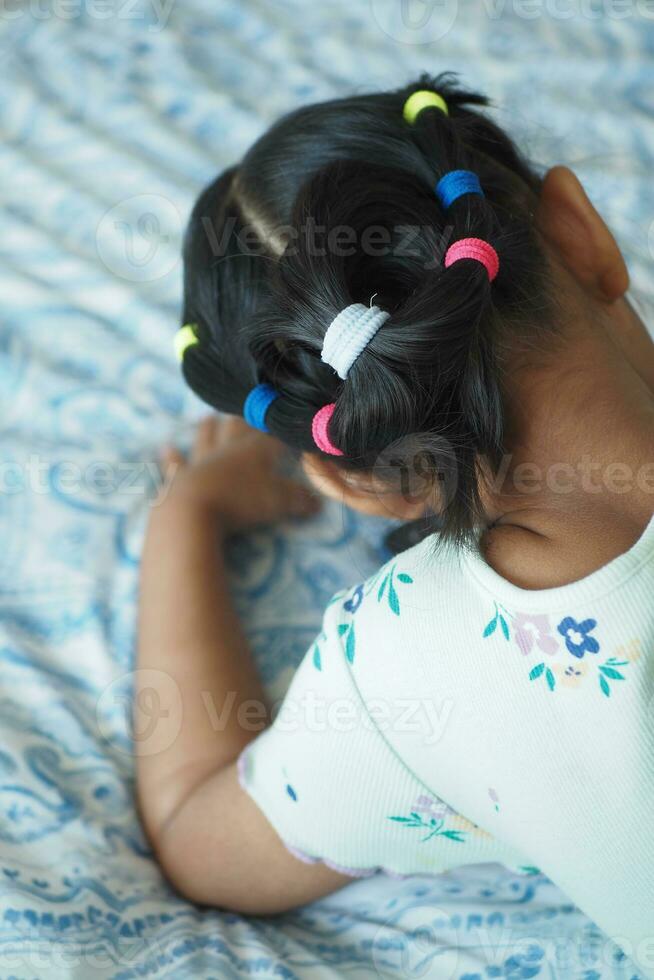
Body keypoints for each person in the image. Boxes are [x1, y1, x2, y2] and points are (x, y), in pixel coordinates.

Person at [135, 76, 654, 972]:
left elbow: (196, 831)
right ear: (582, 232)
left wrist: (186, 512)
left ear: (357, 478)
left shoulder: (406, 674)